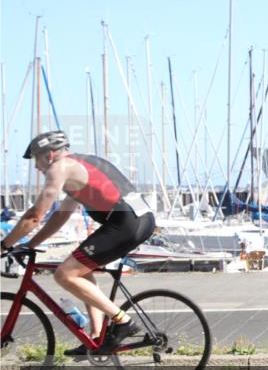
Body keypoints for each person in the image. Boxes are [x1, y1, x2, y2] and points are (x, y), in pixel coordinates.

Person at [0, 131, 156, 354]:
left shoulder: (59, 168)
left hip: (126, 222)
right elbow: (60, 216)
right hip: (138, 218)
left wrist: (4, 246)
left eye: (37, 159)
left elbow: (35, 215)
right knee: (79, 270)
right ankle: (96, 336)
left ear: (50, 155)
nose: (37, 167)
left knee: (64, 274)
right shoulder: (79, 165)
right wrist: (30, 244)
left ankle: (123, 322)